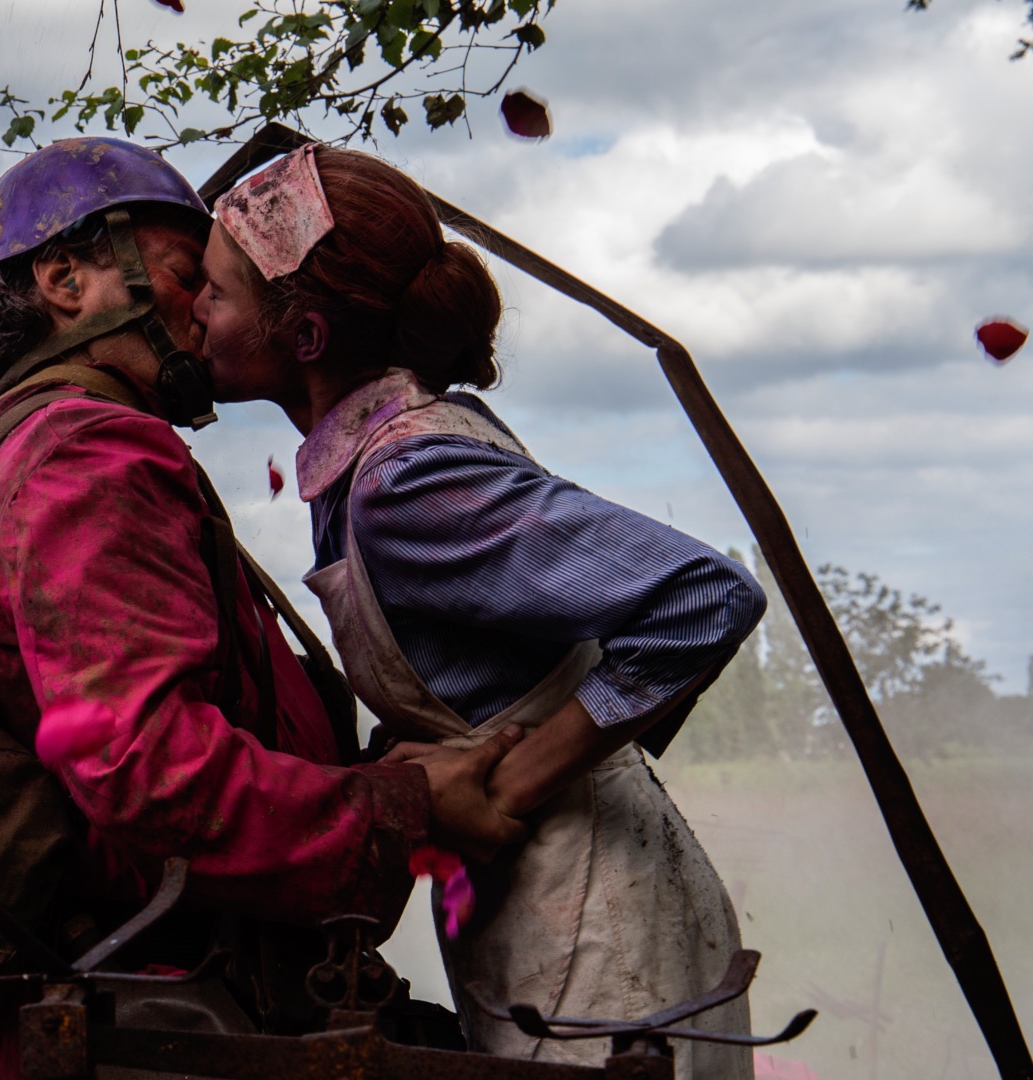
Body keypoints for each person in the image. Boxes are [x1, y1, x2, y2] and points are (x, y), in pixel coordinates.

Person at [0, 137, 527, 1078]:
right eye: (189, 274)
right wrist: (400, 806)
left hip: (145, 1021)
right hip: (173, 1027)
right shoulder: (87, 457)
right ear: (66, 280)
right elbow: (146, 768)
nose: (208, 307)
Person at [192, 143, 765, 1079]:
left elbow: (703, 598)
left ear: (304, 339)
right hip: (546, 902)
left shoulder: (405, 482)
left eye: (216, 294)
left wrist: (511, 781)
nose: (192, 312)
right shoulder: (383, 457)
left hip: (594, 919)